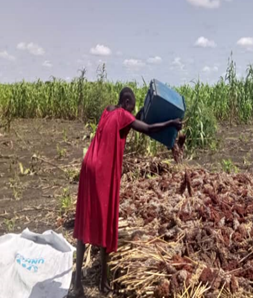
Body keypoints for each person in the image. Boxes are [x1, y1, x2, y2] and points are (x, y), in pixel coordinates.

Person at [72, 86, 182, 297]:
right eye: (133, 106)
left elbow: (130, 120)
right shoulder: (124, 115)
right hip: (102, 171)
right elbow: (148, 129)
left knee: (84, 222)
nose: (133, 111)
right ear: (129, 103)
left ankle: (78, 283)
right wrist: (171, 123)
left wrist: (139, 112)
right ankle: (104, 283)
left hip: (88, 166)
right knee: (104, 222)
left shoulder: (109, 110)